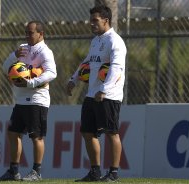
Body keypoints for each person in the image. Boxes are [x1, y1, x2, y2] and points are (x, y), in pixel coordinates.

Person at [66, 5, 127, 182]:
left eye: (95, 20)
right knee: (87, 132)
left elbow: (117, 69)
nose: (91, 24)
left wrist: (104, 90)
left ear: (106, 21)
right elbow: (87, 62)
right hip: (92, 94)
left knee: (111, 133)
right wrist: (73, 79)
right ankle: (95, 172)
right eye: (91, 20)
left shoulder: (115, 41)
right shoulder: (96, 40)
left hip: (108, 96)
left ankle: (114, 173)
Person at [0, 20, 57, 181]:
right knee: (13, 133)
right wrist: (14, 55)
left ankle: (36, 172)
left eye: (31, 32)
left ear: (40, 34)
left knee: (37, 136)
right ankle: (13, 171)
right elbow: (5, 67)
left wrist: (31, 82)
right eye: (26, 32)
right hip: (20, 100)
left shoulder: (45, 51)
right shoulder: (23, 48)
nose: (27, 35)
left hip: (37, 100)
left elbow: (52, 73)